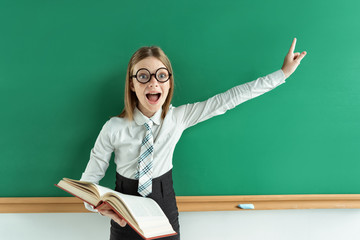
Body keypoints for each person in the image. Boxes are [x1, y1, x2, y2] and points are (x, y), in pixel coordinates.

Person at [80, 38, 307, 239]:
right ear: (132, 84)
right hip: (124, 214)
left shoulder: (179, 117)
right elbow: (88, 183)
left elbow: (230, 99)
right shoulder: (113, 127)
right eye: (143, 76)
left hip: (164, 209)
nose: (153, 83)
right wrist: (98, 206)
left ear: (169, 82)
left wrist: (283, 73)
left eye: (161, 75)